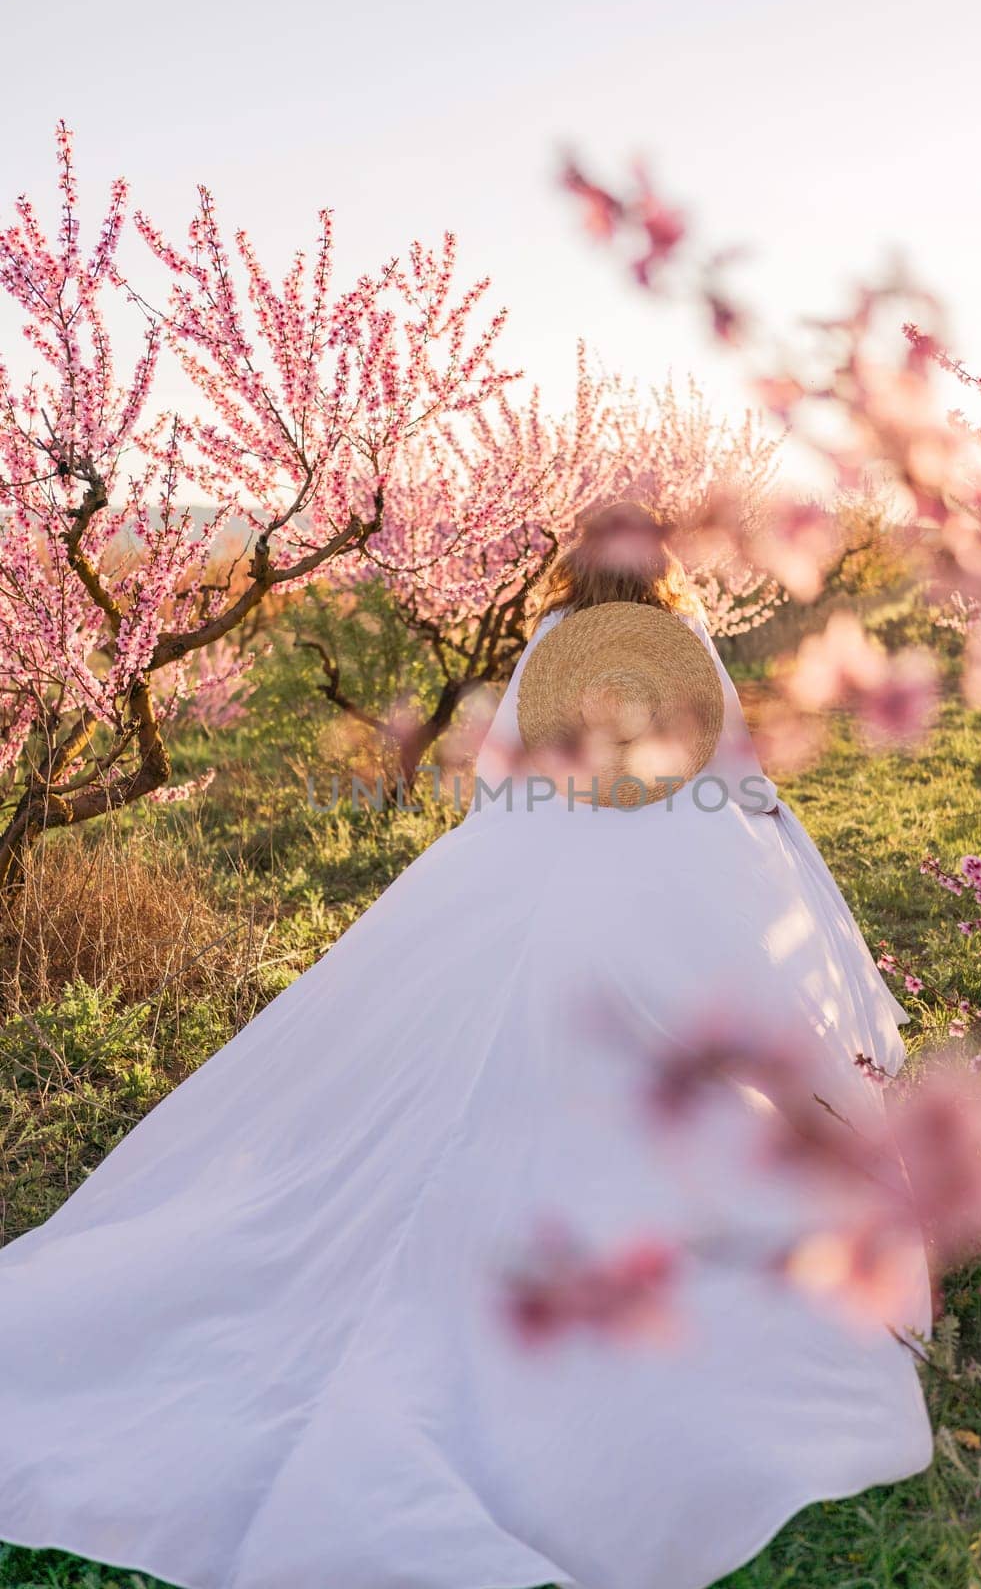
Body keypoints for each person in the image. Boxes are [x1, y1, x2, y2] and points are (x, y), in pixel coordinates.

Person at [0, 502, 933, 1589]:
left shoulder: (545, 645)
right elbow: (737, 780)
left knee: (478, 1043)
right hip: (684, 873)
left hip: (534, 868)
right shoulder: (687, 650)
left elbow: (501, 779)